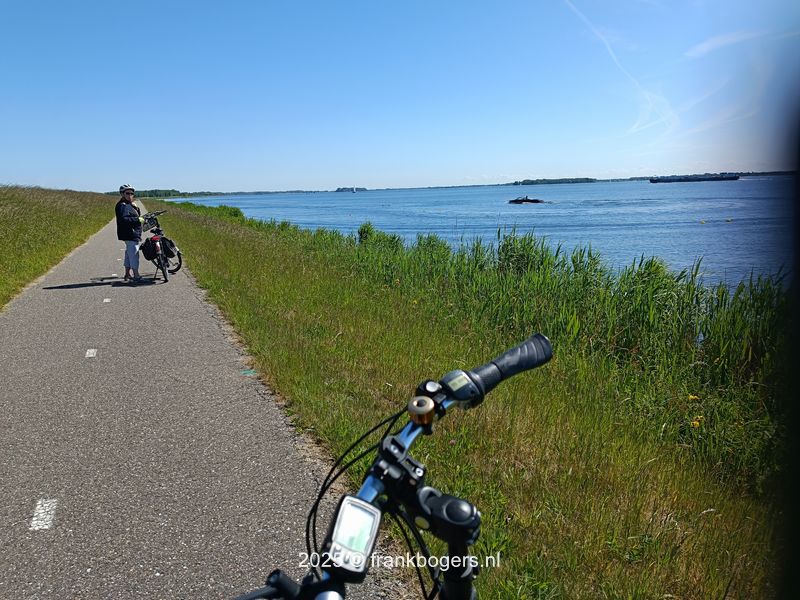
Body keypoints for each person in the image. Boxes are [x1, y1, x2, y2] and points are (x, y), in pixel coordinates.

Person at [115, 184, 145, 281]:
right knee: (134, 254)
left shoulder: (129, 205)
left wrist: (136, 208)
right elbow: (124, 219)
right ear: (122, 194)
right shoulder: (122, 206)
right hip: (129, 233)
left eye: (132, 193)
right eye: (127, 193)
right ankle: (136, 275)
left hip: (132, 233)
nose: (130, 195)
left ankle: (127, 274)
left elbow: (133, 215)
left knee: (129, 253)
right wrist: (137, 219)